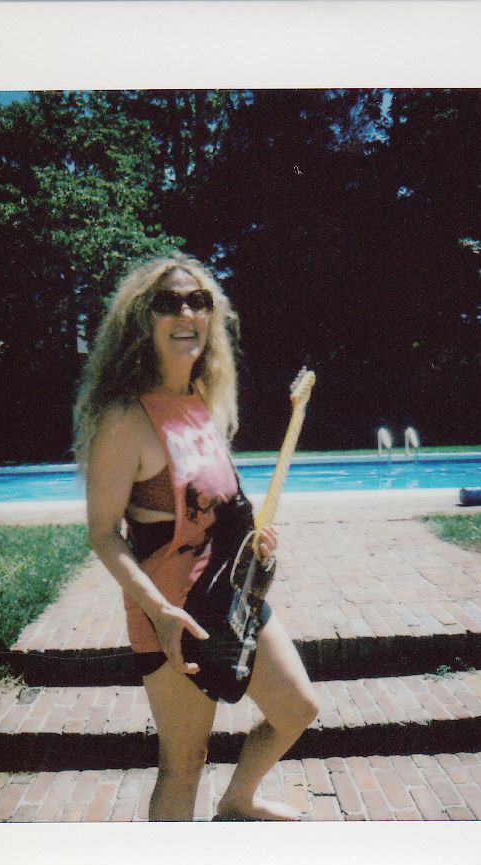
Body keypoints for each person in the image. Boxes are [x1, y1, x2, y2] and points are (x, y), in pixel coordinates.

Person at [74, 253, 319, 821]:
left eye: (198, 301)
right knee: (184, 761)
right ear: (143, 321)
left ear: (212, 316)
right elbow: (103, 534)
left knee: (298, 708)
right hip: (173, 613)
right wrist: (159, 611)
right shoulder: (125, 419)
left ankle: (238, 801)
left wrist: (255, 540)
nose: (186, 313)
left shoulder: (201, 401)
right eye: (169, 303)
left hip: (231, 598)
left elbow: (218, 507)